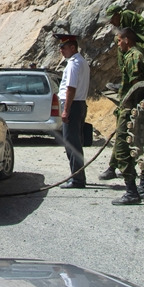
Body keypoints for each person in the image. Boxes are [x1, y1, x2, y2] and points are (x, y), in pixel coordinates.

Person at [110, 28, 144, 205]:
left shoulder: (132, 56)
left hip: (132, 110)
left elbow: (137, 86)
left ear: (127, 40)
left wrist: (133, 111)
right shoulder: (140, 55)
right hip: (143, 111)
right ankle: (143, 189)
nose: (118, 44)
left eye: (120, 40)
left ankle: (132, 191)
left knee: (122, 149)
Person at [54, 33, 90, 189]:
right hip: (78, 104)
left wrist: (66, 110)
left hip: (73, 105)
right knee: (75, 141)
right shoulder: (80, 62)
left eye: (64, 47)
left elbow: (71, 88)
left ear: (73, 47)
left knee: (72, 143)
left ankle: (77, 179)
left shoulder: (74, 64)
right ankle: (78, 176)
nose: (61, 50)